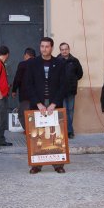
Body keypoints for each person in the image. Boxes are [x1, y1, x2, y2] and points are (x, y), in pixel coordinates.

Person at [25, 37, 67, 174]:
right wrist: (38, 103)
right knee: (37, 133)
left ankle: (58, 164)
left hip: (54, 104)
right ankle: (37, 165)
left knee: (56, 133)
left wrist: (54, 103)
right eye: (42, 46)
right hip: (37, 104)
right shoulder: (32, 63)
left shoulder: (59, 63)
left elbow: (63, 85)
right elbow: (28, 84)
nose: (44, 49)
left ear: (52, 48)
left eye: (47, 46)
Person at [57, 42, 83, 139]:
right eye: (62, 49)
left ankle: (69, 131)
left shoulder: (75, 61)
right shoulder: (56, 60)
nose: (64, 51)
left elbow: (80, 74)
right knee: (64, 111)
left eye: (66, 49)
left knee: (70, 111)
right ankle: (68, 131)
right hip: (60, 91)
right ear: (60, 50)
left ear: (69, 49)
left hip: (71, 90)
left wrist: (73, 80)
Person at [11, 47, 36, 131]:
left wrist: (14, 90)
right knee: (35, 113)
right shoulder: (39, 64)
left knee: (23, 114)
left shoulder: (22, 64)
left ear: (26, 55)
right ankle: (34, 130)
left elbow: (17, 78)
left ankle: (29, 131)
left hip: (25, 94)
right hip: (37, 95)